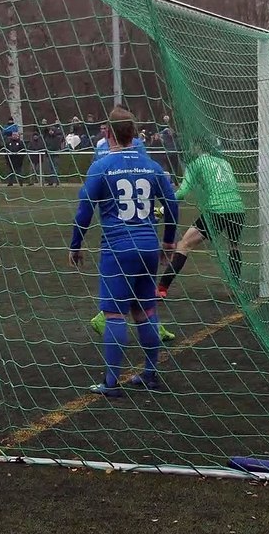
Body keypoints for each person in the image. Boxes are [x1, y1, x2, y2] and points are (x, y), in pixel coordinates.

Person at [69, 106, 178, 396]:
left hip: (118, 248)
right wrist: (168, 241)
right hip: (148, 247)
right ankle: (150, 374)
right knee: (145, 310)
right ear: (134, 133)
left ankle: (111, 383)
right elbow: (171, 203)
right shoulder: (151, 165)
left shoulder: (102, 166)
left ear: (108, 133)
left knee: (114, 315)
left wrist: (75, 245)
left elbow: (84, 210)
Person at [157, 145, 246, 298]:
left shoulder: (196, 164)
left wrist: (162, 208)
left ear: (196, 147)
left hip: (217, 210)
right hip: (238, 209)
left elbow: (182, 193)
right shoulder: (224, 162)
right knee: (233, 246)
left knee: (184, 245)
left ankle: (162, 287)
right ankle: (236, 288)